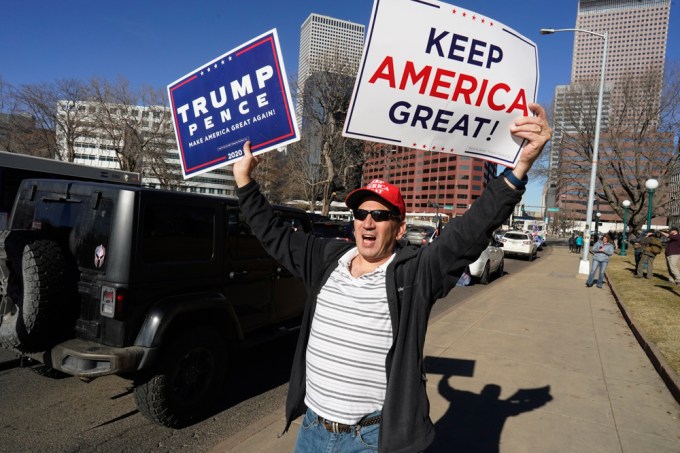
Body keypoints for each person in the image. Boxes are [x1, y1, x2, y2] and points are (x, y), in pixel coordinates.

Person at [232, 103, 552, 452]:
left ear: (399, 228)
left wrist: (520, 167)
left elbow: (469, 230)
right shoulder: (324, 260)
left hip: (369, 440)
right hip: (311, 430)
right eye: (361, 212)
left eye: (380, 215)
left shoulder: (414, 273)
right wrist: (244, 182)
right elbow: (272, 233)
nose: (368, 222)